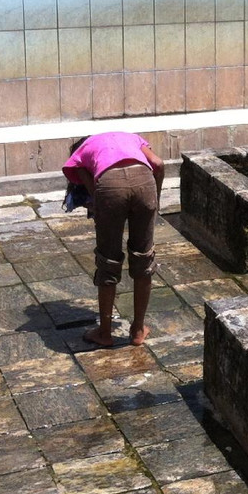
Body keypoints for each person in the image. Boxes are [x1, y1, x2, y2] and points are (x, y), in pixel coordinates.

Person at [62, 131, 164, 347]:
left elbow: (89, 186)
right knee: (143, 258)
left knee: (108, 260)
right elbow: (158, 163)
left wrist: (101, 207)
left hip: (110, 186)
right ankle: (137, 330)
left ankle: (105, 333)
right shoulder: (130, 137)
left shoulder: (84, 149)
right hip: (145, 181)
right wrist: (156, 199)